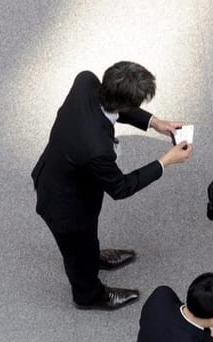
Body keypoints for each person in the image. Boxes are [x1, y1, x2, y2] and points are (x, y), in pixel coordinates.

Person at [33, 61, 193, 311]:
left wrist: (155, 122)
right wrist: (165, 161)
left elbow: (116, 107)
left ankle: (93, 257)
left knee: (85, 242)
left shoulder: (86, 82)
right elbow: (121, 188)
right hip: (66, 205)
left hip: (61, 176)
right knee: (76, 251)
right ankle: (88, 295)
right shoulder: (97, 149)